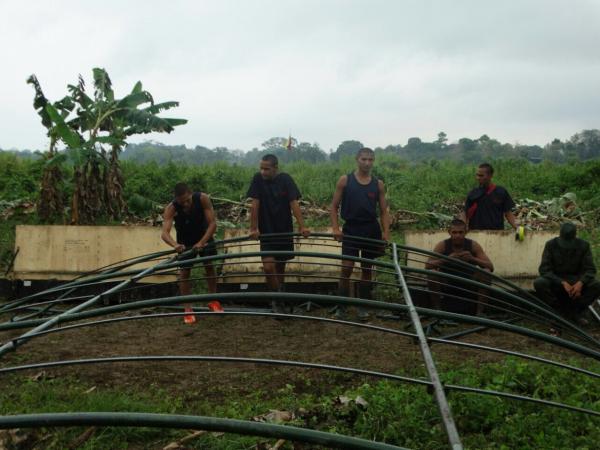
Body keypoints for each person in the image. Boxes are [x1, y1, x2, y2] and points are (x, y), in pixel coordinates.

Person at [330, 147, 391, 320]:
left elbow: (384, 211)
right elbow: (333, 207)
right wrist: (335, 228)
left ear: (374, 161)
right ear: (357, 159)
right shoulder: (345, 180)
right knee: (347, 267)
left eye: (370, 160)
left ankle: (363, 306)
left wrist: (386, 232)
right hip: (351, 229)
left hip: (371, 229)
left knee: (367, 268)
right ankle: (341, 306)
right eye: (363, 159)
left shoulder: (377, 184)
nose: (367, 163)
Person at [247, 154, 310, 313]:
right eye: (261, 168)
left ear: (275, 168)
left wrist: (302, 226)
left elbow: (294, 203)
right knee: (269, 267)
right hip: (266, 231)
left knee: (281, 267)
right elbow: (255, 204)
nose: (263, 172)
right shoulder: (258, 180)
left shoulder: (286, 180)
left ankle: (278, 299)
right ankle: (278, 299)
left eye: (266, 169)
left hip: (283, 229)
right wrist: (254, 228)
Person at [161, 182, 218, 323]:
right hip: (185, 242)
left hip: (204, 237)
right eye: (182, 202)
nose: (185, 204)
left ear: (191, 193)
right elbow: (164, 234)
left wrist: (202, 242)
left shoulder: (202, 198)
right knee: (184, 273)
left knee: (209, 267)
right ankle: (187, 308)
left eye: (187, 200)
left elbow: (212, 224)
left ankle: (214, 301)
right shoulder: (171, 208)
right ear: (176, 200)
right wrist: (175, 245)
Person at [534, 222, 600, 325]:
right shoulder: (551, 245)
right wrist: (562, 282)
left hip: (576, 279)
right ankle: (557, 311)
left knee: (596, 285)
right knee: (539, 283)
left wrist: (580, 283)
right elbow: (544, 269)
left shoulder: (584, 246)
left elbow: (590, 270)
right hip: (556, 279)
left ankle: (576, 311)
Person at [425, 219, 494, 315]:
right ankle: (438, 311)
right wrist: (447, 259)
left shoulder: (473, 245)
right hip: (447, 281)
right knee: (432, 274)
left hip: (469, 281)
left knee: (486, 272)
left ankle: (480, 312)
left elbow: (490, 266)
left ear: (466, 232)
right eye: (454, 232)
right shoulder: (443, 245)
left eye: (461, 232)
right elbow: (428, 266)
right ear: (449, 232)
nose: (458, 235)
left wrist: (472, 259)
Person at [463, 163, 518, 231]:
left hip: (496, 234)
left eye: (481, 176)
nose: (478, 178)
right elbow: (465, 214)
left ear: (490, 176)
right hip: (476, 233)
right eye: (477, 175)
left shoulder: (501, 192)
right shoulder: (472, 193)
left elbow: (508, 213)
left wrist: (517, 228)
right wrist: (463, 229)